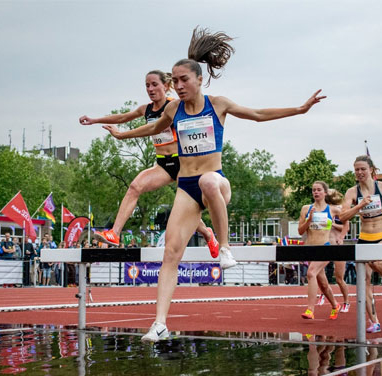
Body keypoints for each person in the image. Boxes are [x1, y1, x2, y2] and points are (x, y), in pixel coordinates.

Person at [103, 27, 326, 342]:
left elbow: (259, 114)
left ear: (199, 80)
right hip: (187, 188)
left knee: (208, 179)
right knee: (171, 252)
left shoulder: (217, 104)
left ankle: (224, 247)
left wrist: (299, 109)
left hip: (217, 184)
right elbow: (153, 127)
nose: (178, 86)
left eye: (184, 80)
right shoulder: (173, 109)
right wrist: (121, 134)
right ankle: (160, 323)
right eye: (175, 81)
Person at [80, 70, 220, 257]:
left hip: (183, 164)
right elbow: (122, 117)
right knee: (135, 186)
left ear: (166, 86)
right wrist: (95, 120)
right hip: (163, 165)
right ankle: (114, 233)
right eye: (147, 85)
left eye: (154, 84)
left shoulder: (176, 106)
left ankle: (207, 232)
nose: (150, 89)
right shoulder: (146, 110)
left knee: (189, 209)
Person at [340, 155, 382, 334]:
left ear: (371, 169)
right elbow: (342, 217)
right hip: (365, 237)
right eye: (356, 169)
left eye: (363, 169)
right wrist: (359, 206)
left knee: (378, 262)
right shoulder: (352, 192)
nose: (360, 172)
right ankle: (375, 321)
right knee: (364, 282)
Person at [299, 181, 341, 320]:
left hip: (325, 247)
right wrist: (309, 220)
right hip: (310, 249)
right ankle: (335, 305)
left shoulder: (333, 209)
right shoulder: (306, 209)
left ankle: (310, 309)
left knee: (311, 273)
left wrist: (341, 237)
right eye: (313, 190)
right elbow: (300, 231)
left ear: (325, 192)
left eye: (318, 190)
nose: (315, 192)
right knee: (322, 283)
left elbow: (348, 221)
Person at [323, 189, 350, 313]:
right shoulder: (322, 209)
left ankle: (346, 302)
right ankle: (326, 297)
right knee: (318, 275)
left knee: (339, 278)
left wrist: (340, 236)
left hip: (338, 245)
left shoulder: (340, 209)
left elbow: (346, 226)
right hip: (325, 245)